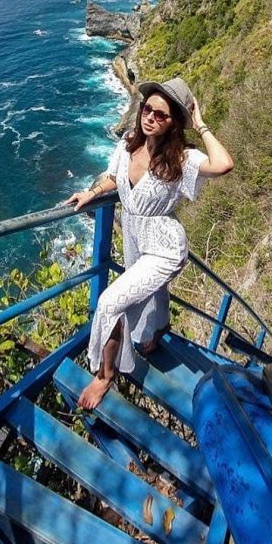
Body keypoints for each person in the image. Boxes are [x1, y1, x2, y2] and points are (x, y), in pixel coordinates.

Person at [65, 78, 234, 409]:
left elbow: (224, 164)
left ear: (174, 123)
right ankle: (156, 333)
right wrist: (92, 193)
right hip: (134, 236)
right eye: (146, 108)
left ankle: (105, 375)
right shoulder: (129, 142)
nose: (150, 116)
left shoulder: (182, 159)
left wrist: (200, 124)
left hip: (165, 246)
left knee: (111, 302)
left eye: (161, 114)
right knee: (150, 293)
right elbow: (114, 177)